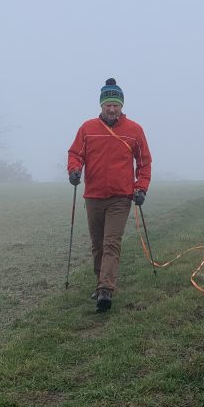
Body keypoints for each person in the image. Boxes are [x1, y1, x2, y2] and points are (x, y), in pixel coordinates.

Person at [67, 78, 152, 312]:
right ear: (101, 105)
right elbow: (75, 154)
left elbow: (144, 162)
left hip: (120, 198)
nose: (112, 109)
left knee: (111, 242)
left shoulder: (135, 130)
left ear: (121, 106)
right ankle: (100, 282)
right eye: (108, 105)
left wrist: (141, 187)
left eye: (116, 104)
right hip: (93, 196)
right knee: (97, 246)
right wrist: (74, 171)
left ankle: (106, 290)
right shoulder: (87, 129)